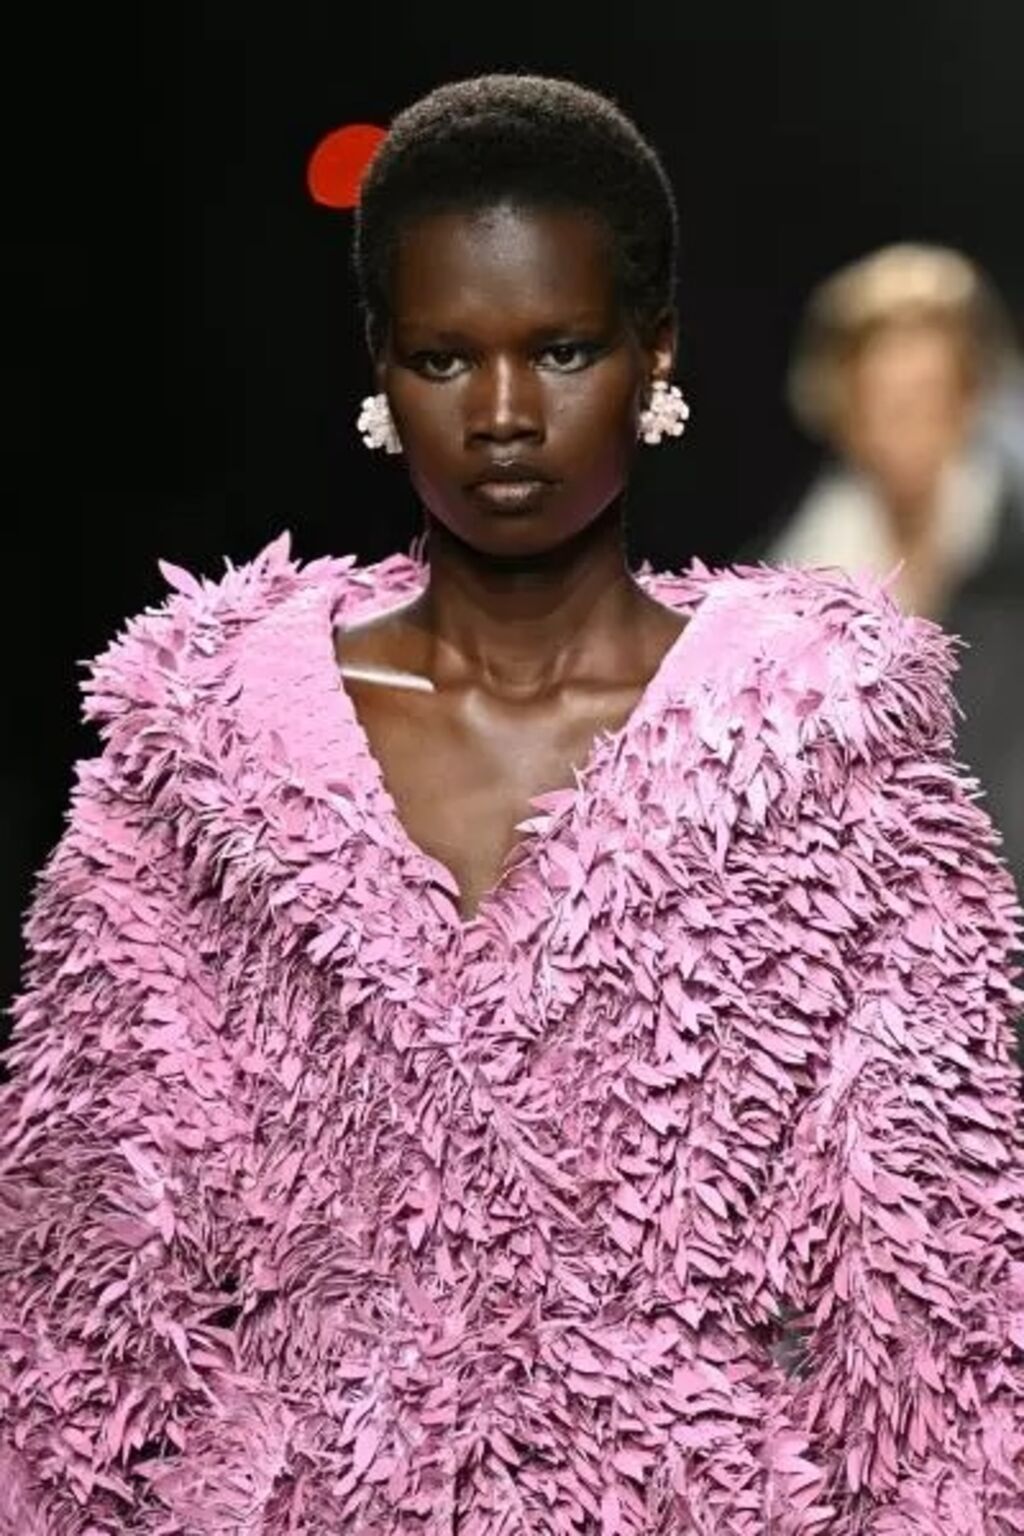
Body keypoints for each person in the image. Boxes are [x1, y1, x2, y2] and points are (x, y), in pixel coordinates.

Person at [1, 76, 1022, 1536]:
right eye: (441, 357)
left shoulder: (833, 762)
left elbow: (937, 1319)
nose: (498, 415)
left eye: (560, 349)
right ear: (379, 363)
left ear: (655, 349)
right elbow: (80, 1293)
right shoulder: (200, 764)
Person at [765, 245, 1024, 897]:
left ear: (970, 401)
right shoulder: (777, 606)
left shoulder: (1013, 564)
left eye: (929, 397)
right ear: (842, 415)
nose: (908, 429)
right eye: (884, 402)